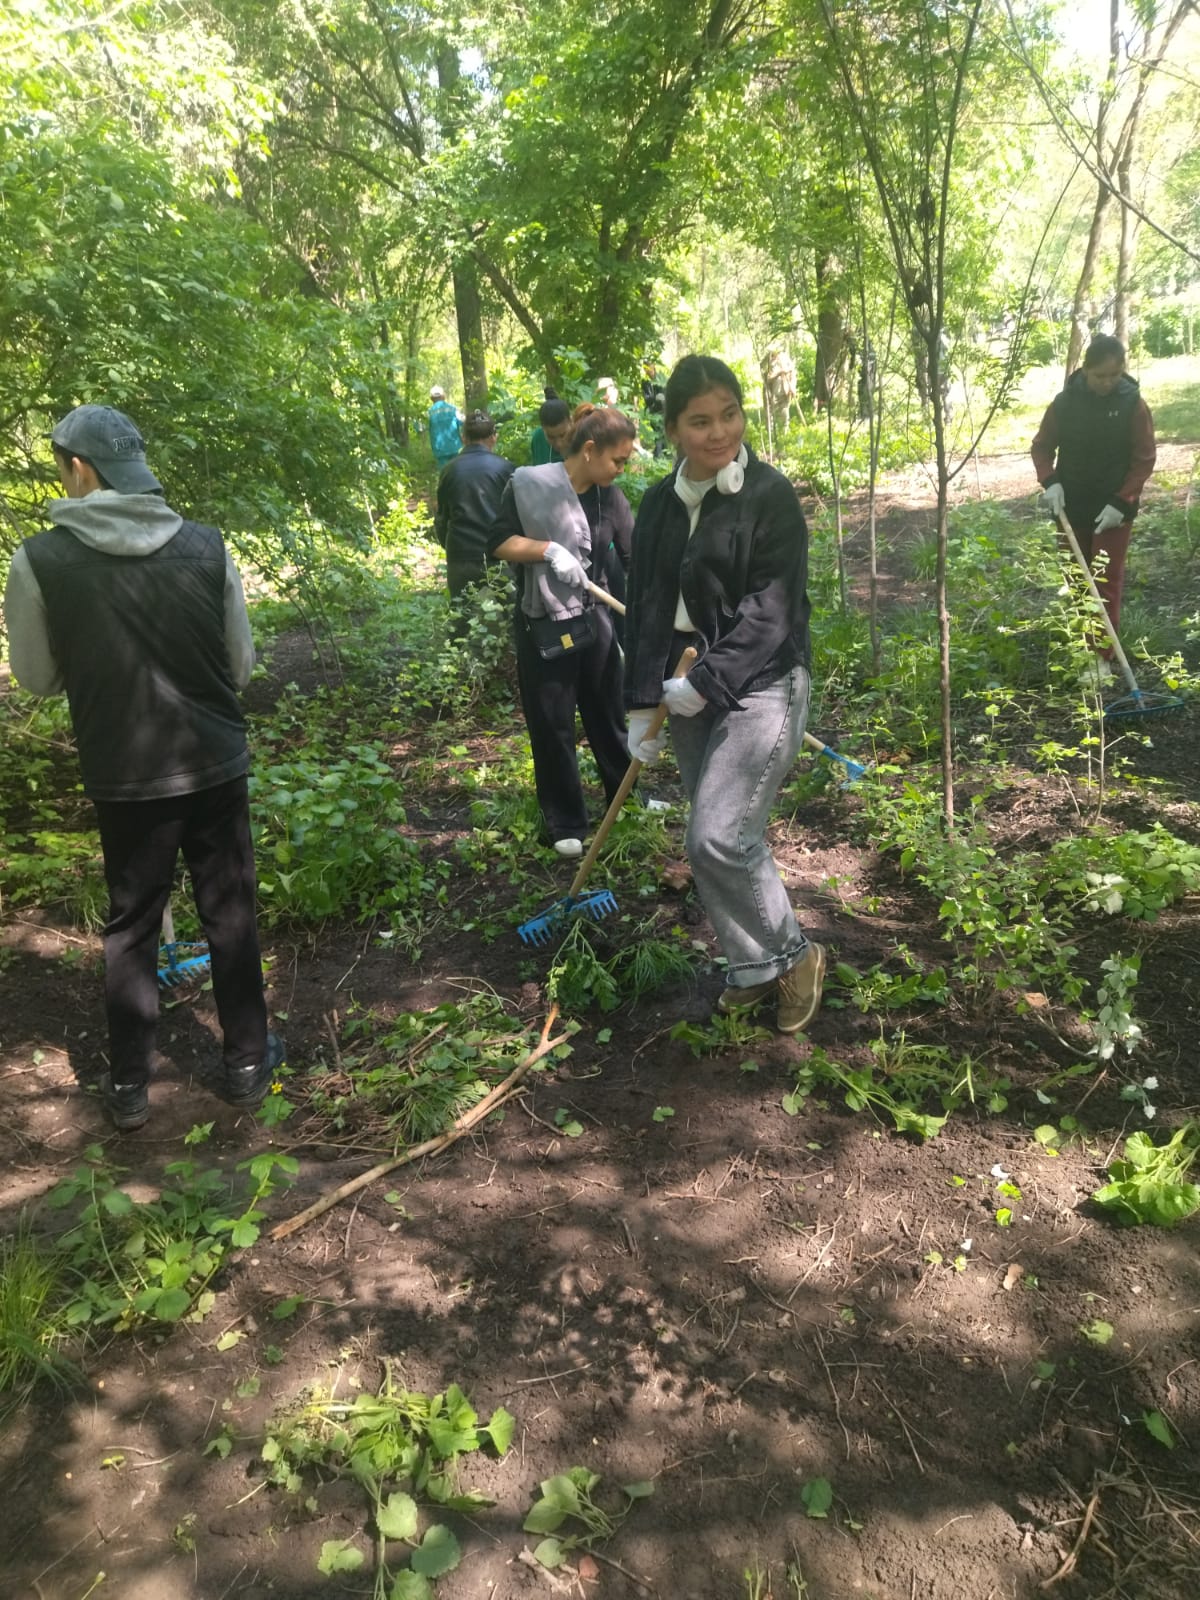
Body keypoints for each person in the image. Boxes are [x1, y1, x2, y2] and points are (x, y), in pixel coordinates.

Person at [3, 405, 284, 1130]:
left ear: (78, 468)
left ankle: (130, 1085)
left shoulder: (39, 560)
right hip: (214, 758)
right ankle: (246, 1063)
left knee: (131, 923)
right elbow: (240, 664)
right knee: (230, 908)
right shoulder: (207, 546)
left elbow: (36, 676)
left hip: (124, 772)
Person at [622, 355, 825, 1036]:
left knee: (718, 835)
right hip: (680, 684)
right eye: (700, 421)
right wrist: (640, 705)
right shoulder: (659, 503)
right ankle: (753, 967)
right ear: (673, 431)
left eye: (729, 415)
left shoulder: (768, 495)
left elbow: (772, 611)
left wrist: (705, 683)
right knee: (706, 837)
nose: (719, 432)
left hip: (762, 682)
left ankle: (795, 956)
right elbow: (646, 606)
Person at [486, 404, 635, 857]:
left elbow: (634, 555)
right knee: (552, 721)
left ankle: (625, 800)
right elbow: (499, 542)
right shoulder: (531, 486)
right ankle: (565, 819)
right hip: (544, 624)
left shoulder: (611, 497)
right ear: (590, 450)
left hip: (597, 617)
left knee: (607, 713)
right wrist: (548, 550)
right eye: (618, 460)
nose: (622, 469)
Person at [1032, 333, 1156, 673]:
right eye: (1100, 375)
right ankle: (1085, 647)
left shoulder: (1133, 404)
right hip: (1070, 504)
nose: (1107, 382)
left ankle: (1100, 658)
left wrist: (1123, 500)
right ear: (1085, 370)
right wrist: (1050, 481)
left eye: (1114, 375)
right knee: (1077, 578)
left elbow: (1144, 459)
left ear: (1122, 370)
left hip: (1114, 509)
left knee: (1104, 580)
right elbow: (1041, 447)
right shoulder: (1064, 404)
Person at [433, 409, 515, 610]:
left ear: (463, 438)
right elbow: (518, 516)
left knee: (463, 617)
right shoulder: (506, 469)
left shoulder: (449, 470)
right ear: (494, 437)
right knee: (512, 615)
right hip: (501, 555)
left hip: (461, 555)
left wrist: (449, 546)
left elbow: (442, 518)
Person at [530, 389, 573, 465]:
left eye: (563, 435)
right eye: (551, 437)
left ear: (571, 422)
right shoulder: (538, 439)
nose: (559, 444)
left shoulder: (582, 437)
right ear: (543, 428)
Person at [428, 386, 462, 469]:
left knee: (444, 472)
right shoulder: (454, 409)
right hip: (455, 446)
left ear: (431, 398)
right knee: (457, 470)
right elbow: (463, 422)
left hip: (439, 449)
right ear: (443, 396)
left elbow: (420, 428)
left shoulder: (429, 413)